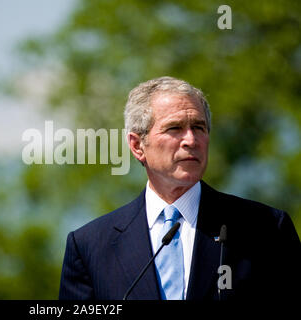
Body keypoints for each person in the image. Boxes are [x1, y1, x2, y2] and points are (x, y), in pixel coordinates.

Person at [58, 76, 301, 300]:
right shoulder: (90, 247)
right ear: (137, 146)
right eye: (174, 128)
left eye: (199, 127)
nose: (191, 140)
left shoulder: (266, 229)